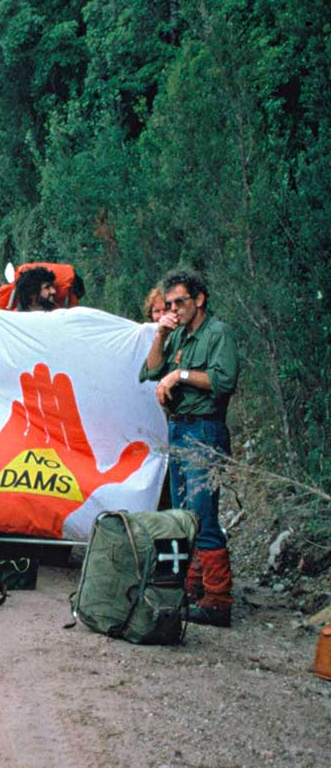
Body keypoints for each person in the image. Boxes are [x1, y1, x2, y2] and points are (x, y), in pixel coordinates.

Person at [139, 269, 239, 628]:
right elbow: (150, 371)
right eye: (169, 304)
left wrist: (178, 376)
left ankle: (218, 599)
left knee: (202, 514)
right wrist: (161, 333)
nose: (175, 309)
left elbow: (224, 380)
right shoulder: (178, 335)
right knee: (183, 514)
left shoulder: (217, 334)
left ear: (199, 299)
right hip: (178, 429)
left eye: (180, 302)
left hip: (204, 429)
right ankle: (192, 588)